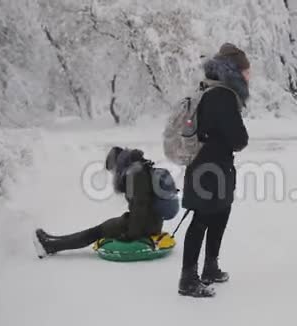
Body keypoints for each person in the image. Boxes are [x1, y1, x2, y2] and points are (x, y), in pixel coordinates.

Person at [178, 43, 250, 298]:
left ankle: (210, 267)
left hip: (211, 166)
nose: (249, 74)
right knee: (202, 220)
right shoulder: (222, 96)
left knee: (219, 214)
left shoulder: (212, 91)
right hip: (210, 168)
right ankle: (188, 279)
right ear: (235, 70)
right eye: (245, 69)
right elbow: (239, 138)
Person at [34, 147, 163, 258]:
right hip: (149, 221)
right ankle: (53, 242)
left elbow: (140, 206)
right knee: (99, 229)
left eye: (113, 170)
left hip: (145, 225)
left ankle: (50, 245)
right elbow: (141, 205)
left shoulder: (135, 174)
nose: (114, 174)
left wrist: (131, 235)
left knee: (95, 232)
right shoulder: (140, 167)